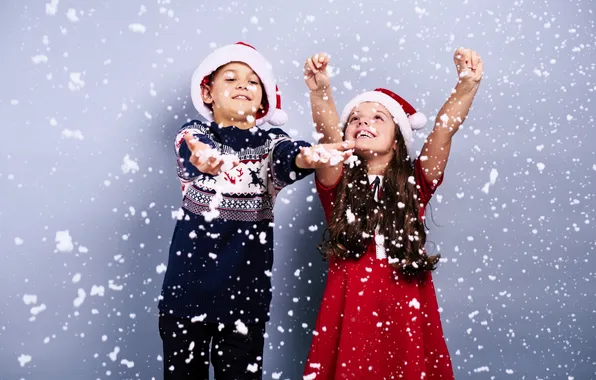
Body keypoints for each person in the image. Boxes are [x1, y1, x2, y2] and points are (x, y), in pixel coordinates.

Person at [157, 41, 354, 380]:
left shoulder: (270, 143)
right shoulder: (195, 133)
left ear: (263, 101)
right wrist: (200, 156)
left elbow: (291, 154)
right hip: (185, 297)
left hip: (245, 303)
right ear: (208, 93)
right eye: (230, 79)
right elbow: (190, 148)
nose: (242, 86)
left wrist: (310, 156)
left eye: (252, 81)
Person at [301, 47, 483, 379]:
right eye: (355, 119)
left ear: (398, 142)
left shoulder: (415, 185)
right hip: (352, 311)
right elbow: (327, 136)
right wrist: (322, 93)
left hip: (406, 310)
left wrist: (466, 87)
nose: (363, 122)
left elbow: (443, 131)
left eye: (377, 118)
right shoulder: (338, 182)